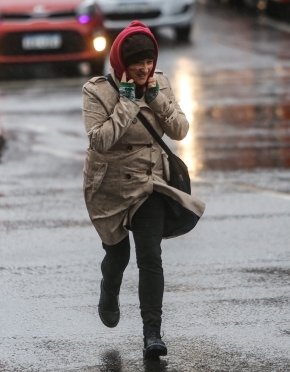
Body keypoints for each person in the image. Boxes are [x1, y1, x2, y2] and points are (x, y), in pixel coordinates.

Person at [81, 21, 205, 359]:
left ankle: (152, 332)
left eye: (149, 61)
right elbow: (100, 140)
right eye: (137, 62)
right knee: (118, 255)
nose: (144, 68)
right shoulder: (96, 91)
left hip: (149, 182)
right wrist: (126, 104)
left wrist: (157, 99)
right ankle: (109, 289)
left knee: (150, 256)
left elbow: (179, 130)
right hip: (108, 184)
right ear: (122, 62)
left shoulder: (159, 82)